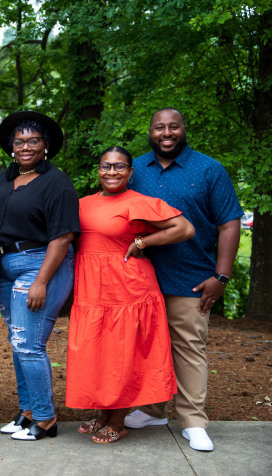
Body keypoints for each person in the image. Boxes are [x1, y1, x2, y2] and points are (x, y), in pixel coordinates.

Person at [125, 108, 243, 452]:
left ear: (183, 129)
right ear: (150, 131)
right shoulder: (135, 170)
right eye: (159, 127)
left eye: (173, 126)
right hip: (142, 278)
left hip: (192, 278)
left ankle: (192, 420)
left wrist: (221, 275)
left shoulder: (208, 169)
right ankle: (151, 409)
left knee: (189, 349)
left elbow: (229, 223)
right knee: (145, 347)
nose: (166, 133)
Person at [65, 146, 195, 443]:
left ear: (131, 172)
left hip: (128, 290)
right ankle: (103, 414)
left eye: (119, 167)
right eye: (106, 166)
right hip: (93, 290)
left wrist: (143, 242)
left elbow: (184, 228)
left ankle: (119, 419)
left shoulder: (136, 202)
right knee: (96, 351)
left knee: (121, 354)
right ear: (97, 170)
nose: (112, 172)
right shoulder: (83, 203)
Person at [0, 111, 79, 441]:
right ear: (11, 146)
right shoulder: (4, 178)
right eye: (19, 141)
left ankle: (45, 419)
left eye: (33, 140)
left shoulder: (57, 183)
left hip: (41, 263)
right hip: (5, 267)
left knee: (29, 344)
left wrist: (41, 280)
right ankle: (27, 411)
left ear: (46, 146)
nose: (25, 146)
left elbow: (63, 237)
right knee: (18, 342)